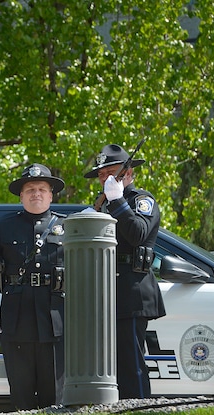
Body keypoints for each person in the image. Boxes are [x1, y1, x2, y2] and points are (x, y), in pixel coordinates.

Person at [0, 164, 66, 410]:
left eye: (41, 189)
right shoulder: (5, 226)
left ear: (50, 195)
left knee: (54, 391)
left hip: (55, 317)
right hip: (17, 317)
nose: (36, 193)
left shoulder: (67, 228)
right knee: (21, 388)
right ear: (21, 195)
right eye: (30, 189)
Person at [84, 143, 165, 399]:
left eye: (112, 172)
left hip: (131, 289)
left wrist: (117, 200)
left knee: (130, 360)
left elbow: (138, 234)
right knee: (108, 364)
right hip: (103, 291)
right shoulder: (101, 205)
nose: (105, 178)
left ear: (128, 174)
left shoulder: (141, 200)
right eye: (101, 174)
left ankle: (137, 408)